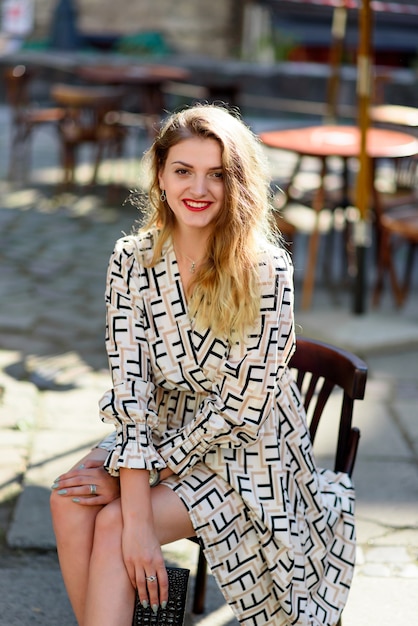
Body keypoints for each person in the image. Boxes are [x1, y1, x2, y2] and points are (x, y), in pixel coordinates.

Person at [50, 103, 356, 626]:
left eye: (217, 174)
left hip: (249, 453)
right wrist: (135, 475)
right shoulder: (133, 259)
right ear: (161, 176)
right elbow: (131, 389)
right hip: (165, 425)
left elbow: (243, 409)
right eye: (184, 170)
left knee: (115, 524)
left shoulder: (266, 270)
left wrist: (139, 494)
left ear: (238, 183)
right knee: (67, 500)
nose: (200, 188)